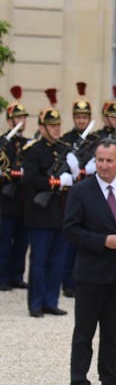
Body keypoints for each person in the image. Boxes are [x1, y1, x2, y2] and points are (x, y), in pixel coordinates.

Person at [63, 138, 116, 385]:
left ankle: (110, 383)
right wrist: (102, 241)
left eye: (110, 160)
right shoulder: (81, 191)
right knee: (84, 331)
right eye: (100, 160)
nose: (104, 165)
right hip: (91, 271)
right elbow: (71, 230)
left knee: (112, 331)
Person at [21, 95, 80, 317]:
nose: (56, 130)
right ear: (42, 127)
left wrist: (73, 173)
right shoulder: (33, 151)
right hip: (39, 213)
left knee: (57, 260)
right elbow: (30, 180)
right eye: (52, 126)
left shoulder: (65, 148)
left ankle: (50, 300)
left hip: (59, 212)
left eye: (58, 125)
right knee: (39, 260)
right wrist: (55, 181)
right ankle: (36, 303)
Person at [58, 85, 96, 298]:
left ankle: (82, 280)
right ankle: (67, 282)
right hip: (70, 195)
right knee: (70, 241)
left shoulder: (94, 141)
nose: (81, 120)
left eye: (85, 117)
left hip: (88, 196)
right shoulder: (66, 140)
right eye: (78, 117)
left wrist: (87, 169)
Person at [0, 91, 30, 291]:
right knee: (4, 241)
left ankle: (18, 275)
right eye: (18, 117)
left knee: (21, 241)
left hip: (23, 199)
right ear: (10, 120)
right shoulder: (2, 142)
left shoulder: (28, 144)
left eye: (23, 118)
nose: (21, 121)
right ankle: (3, 277)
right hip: (6, 200)